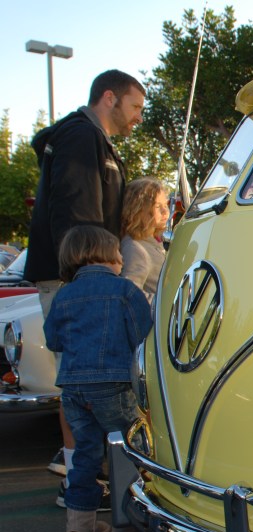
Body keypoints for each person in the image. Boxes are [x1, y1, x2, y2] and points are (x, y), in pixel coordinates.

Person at [23, 69, 145, 484]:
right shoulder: (81, 137)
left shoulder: (92, 141)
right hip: (78, 282)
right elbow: (77, 213)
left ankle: (83, 483)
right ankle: (82, 480)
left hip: (76, 279)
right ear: (109, 98)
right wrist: (96, 276)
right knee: (83, 385)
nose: (137, 118)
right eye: (135, 107)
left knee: (79, 385)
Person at [43, 225, 153, 532]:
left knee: (85, 458)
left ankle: (78, 529)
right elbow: (143, 337)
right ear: (107, 256)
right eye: (119, 255)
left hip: (74, 391)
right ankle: (124, 520)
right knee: (130, 451)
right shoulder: (125, 291)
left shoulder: (63, 295)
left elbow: (53, 341)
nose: (122, 260)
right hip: (114, 385)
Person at [120, 177, 168, 302]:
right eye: (158, 206)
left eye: (165, 205)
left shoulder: (154, 241)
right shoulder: (134, 247)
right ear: (139, 209)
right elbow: (130, 294)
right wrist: (164, 306)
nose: (165, 211)